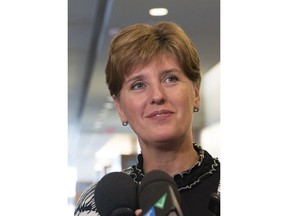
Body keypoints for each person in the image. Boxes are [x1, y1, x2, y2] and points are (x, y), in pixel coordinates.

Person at [74, 21, 220, 216]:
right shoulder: (95, 205)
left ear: (196, 93)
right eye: (138, 85)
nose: (157, 95)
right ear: (120, 108)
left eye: (170, 78)